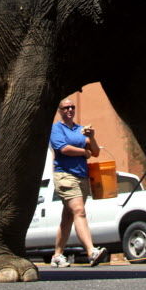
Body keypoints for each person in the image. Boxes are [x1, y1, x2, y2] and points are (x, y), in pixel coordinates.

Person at [48, 96, 108, 268]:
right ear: (60, 111)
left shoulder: (80, 130)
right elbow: (63, 149)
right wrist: (83, 152)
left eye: (72, 107)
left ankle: (57, 256)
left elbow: (95, 152)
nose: (69, 110)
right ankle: (91, 251)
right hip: (65, 176)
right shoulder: (56, 129)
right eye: (65, 108)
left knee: (68, 217)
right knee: (79, 211)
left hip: (82, 176)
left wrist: (92, 137)